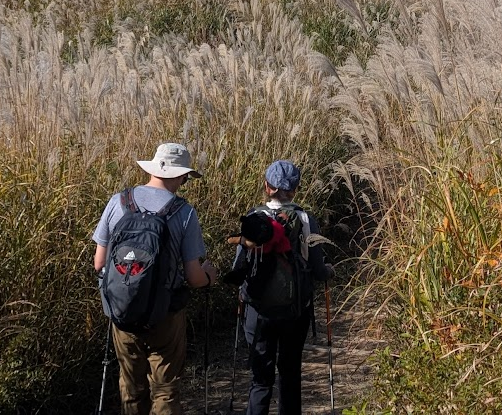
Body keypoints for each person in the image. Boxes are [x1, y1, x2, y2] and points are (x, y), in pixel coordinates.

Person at [92, 143, 213, 415]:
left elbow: (99, 263)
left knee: (131, 387)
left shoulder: (118, 202)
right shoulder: (184, 212)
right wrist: (209, 276)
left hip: (122, 312)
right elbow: (194, 278)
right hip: (165, 315)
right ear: (181, 175)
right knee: (165, 388)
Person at [225, 160, 333, 415]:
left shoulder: (253, 218)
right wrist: (329, 271)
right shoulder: (306, 219)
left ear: (266, 186)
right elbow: (317, 270)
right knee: (289, 374)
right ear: (296, 188)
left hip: (258, 311)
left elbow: (239, 266)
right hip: (295, 311)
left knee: (260, 377)